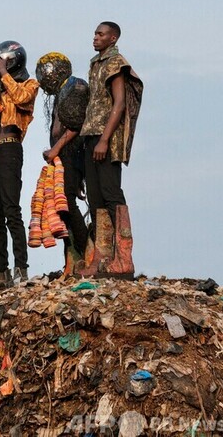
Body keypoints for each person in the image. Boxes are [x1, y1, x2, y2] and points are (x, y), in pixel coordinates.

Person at [75, 22, 143, 278]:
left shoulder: (116, 63)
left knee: (111, 193)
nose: (95, 37)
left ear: (112, 38)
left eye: (100, 34)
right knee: (95, 197)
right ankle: (102, 257)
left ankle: (124, 258)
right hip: (91, 135)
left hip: (107, 137)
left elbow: (120, 103)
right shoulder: (96, 63)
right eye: (94, 33)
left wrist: (104, 140)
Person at [0, 42, 39, 286]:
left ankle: (20, 267)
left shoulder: (29, 85)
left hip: (12, 149)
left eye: (2, 62)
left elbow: (22, 98)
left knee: (12, 211)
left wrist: (3, 74)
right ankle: (1, 270)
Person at [37, 52, 89, 273]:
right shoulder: (63, 91)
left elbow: (76, 125)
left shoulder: (75, 87)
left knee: (65, 201)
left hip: (71, 153)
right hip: (63, 157)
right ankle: (73, 256)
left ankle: (86, 249)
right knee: (60, 203)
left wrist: (56, 149)